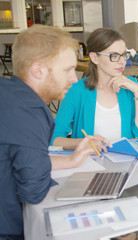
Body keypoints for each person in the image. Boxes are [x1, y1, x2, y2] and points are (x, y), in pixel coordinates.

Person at [0, 25, 100, 239]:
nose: (74, 78)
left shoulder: (9, 95)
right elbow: (33, 191)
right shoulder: (28, 111)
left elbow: (20, 161)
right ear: (39, 70)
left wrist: (71, 161)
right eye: (67, 70)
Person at [52, 28, 138, 149]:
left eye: (124, 55)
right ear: (94, 58)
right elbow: (54, 139)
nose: (122, 62)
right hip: (90, 163)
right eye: (114, 56)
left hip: (125, 163)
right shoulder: (77, 90)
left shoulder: (131, 86)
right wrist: (85, 143)